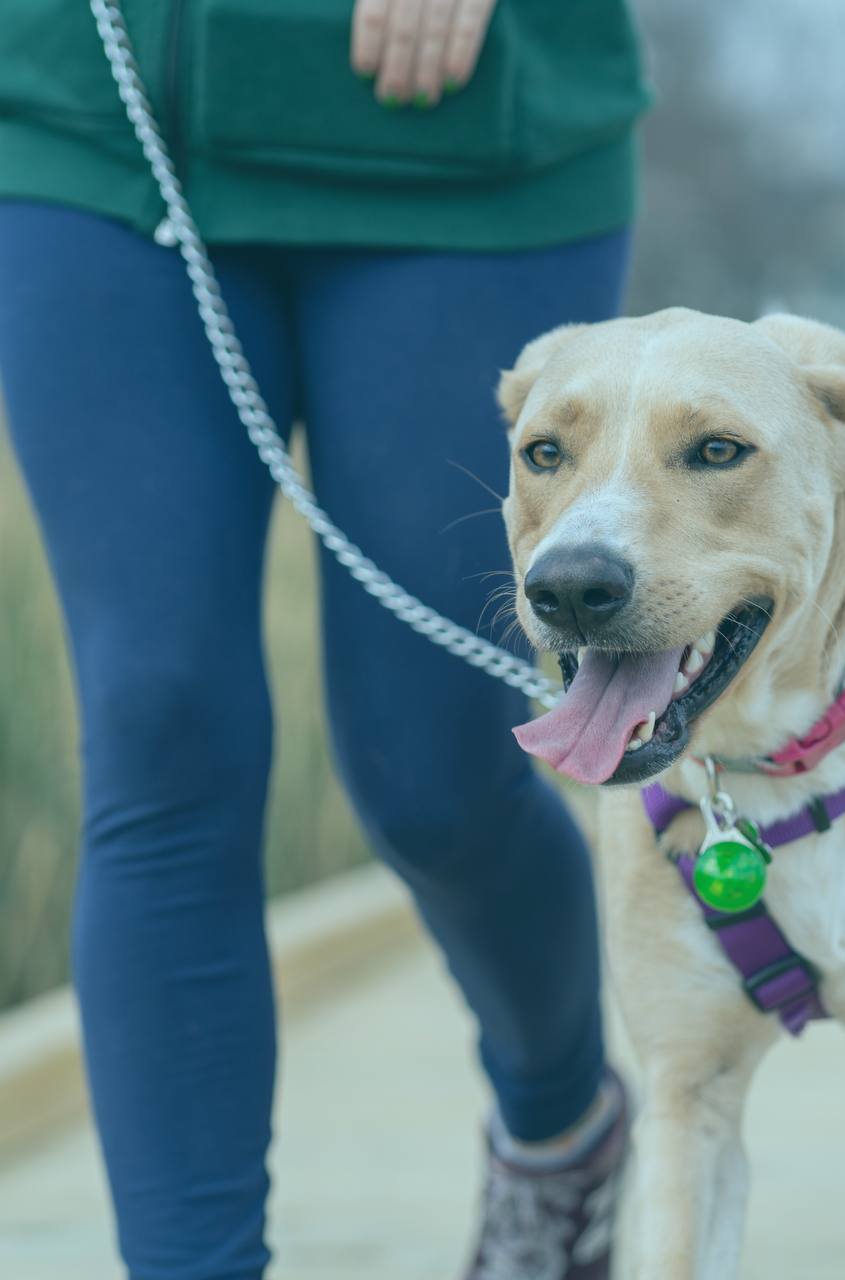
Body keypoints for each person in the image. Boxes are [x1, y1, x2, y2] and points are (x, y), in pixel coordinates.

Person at [0, 2, 649, 1277]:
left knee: (433, 779)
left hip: (464, 143)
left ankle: (559, 1123)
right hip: (89, 131)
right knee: (158, 723)